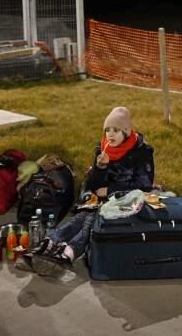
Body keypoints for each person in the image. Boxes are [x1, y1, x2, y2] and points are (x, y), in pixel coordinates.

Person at [38, 106, 154, 266]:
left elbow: (144, 185)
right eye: (107, 130)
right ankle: (51, 242)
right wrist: (100, 168)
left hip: (128, 200)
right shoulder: (103, 148)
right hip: (102, 200)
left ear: (126, 132)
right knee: (81, 218)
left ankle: (68, 252)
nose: (110, 134)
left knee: (92, 219)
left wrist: (109, 190)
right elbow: (94, 186)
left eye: (116, 130)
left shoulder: (142, 151)